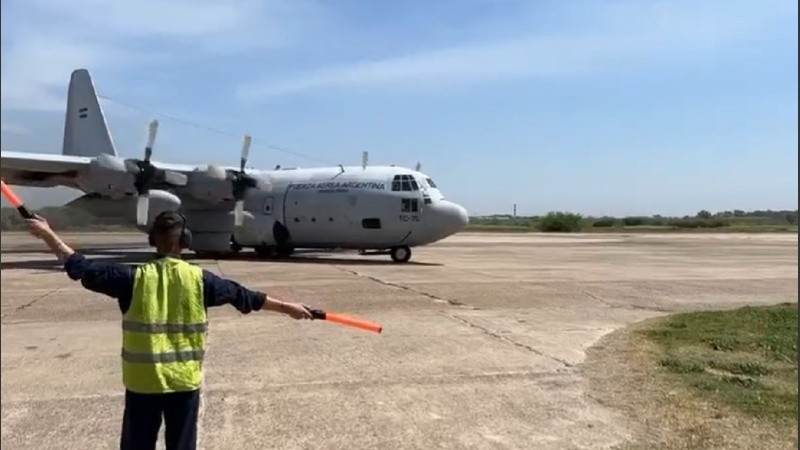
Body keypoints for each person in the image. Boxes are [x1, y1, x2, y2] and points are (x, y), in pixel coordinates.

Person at [25, 210, 314, 450]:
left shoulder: (131, 278)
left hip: (143, 384)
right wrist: (289, 308)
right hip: (183, 384)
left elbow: (80, 267)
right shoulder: (201, 280)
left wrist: (49, 235)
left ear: (153, 241)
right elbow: (246, 297)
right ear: (185, 242)